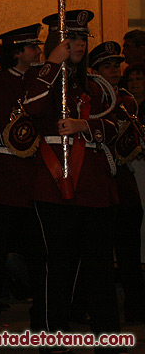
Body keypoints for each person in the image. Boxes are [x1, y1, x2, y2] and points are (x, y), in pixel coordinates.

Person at [23, 10, 123, 354]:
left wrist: (86, 128)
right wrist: (51, 63)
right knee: (57, 264)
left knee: (99, 267)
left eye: (82, 39)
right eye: (71, 39)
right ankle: (53, 333)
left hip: (94, 188)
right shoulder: (42, 78)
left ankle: (107, 337)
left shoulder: (96, 85)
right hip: (54, 185)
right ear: (57, 43)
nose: (78, 45)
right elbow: (31, 109)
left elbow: (118, 123)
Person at [0, 24, 45, 331]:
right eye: (33, 47)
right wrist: (10, 140)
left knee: (39, 254)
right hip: (4, 182)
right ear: (18, 51)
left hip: (36, 182)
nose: (39, 51)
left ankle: (41, 314)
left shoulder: (42, 82)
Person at [89, 41, 145, 323]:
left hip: (124, 186)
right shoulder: (91, 97)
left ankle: (135, 305)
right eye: (108, 65)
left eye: (117, 64)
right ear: (96, 70)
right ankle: (91, 308)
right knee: (97, 256)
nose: (115, 69)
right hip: (99, 186)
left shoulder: (126, 100)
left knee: (129, 253)